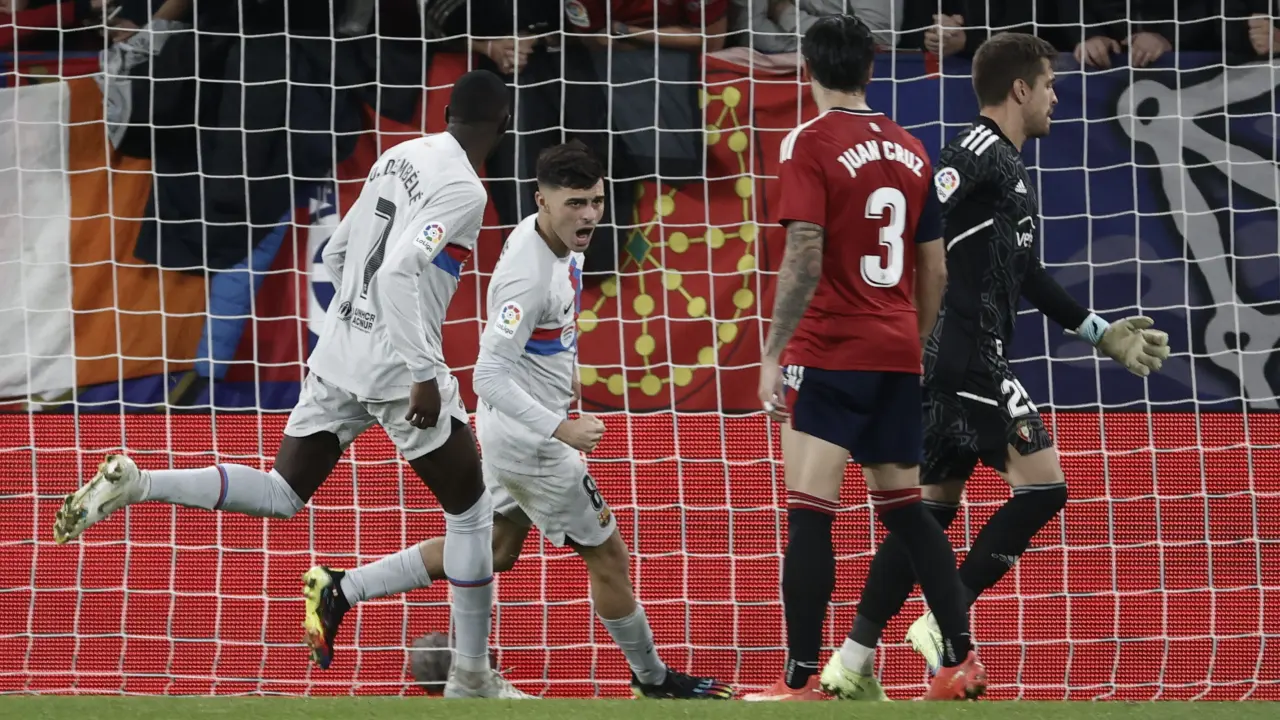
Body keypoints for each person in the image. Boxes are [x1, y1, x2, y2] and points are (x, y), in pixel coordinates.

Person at [50, 69, 528, 699]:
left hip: (338, 350)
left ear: (445, 112)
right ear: (505, 125)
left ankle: (142, 482)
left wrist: (353, 318)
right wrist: (421, 373)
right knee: (471, 515)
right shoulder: (465, 188)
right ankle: (471, 679)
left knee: (282, 491)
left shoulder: (400, 155)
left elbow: (337, 251)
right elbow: (399, 273)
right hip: (395, 367)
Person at [298, 141, 734, 701]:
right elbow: (487, 375)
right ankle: (654, 681)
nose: (589, 215)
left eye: (597, 201)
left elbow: (545, 333)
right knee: (608, 557)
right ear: (542, 201)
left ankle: (342, 587)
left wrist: (563, 374)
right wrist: (561, 428)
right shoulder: (527, 277)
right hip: (533, 445)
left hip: (518, 430)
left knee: (496, 548)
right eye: (575, 203)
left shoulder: (558, 241)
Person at [830, 32, 1171, 689]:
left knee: (930, 511)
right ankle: (945, 620)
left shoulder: (1007, 165)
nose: (1055, 98)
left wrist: (1100, 332)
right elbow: (915, 217)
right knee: (1045, 486)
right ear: (1020, 89)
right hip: (964, 357)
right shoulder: (977, 152)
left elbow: (1027, 273)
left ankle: (851, 662)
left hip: (950, 360)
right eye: (1048, 85)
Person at [744, 14, 984, 702]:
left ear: (809, 70)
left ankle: (800, 680)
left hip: (829, 350)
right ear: (872, 69)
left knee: (810, 513)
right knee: (906, 511)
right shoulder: (912, 148)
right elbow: (935, 268)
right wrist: (911, 338)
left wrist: (772, 353)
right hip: (896, 350)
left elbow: (804, 250)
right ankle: (959, 660)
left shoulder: (808, 141)